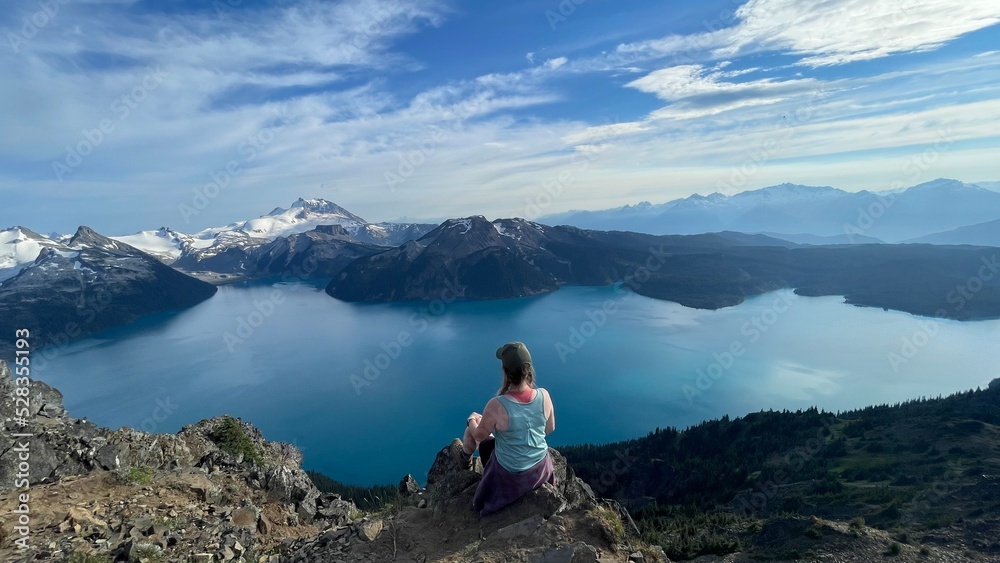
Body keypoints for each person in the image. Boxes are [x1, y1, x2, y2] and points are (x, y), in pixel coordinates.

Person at [452, 341, 557, 516]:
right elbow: (550, 428)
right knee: (493, 428)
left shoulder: (497, 404)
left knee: (474, 425)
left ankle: (465, 458)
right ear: (529, 369)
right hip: (540, 469)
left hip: (510, 474)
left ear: (506, 372)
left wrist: (471, 419)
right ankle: (465, 457)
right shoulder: (544, 395)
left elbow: (479, 434)